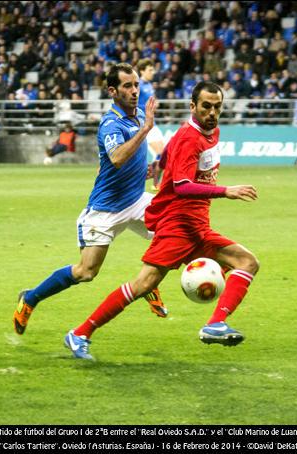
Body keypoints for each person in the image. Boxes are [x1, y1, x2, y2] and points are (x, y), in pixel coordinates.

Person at [64, 82, 260, 360]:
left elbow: (172, 146)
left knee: (247, 262)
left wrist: (159, 165)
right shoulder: (192, 139)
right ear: (193, 106)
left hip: (197, 225)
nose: (212, 112)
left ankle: (215, 324)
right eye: (206, 106)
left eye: (217, 106)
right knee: (142, 285)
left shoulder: (207, 131)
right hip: (178, 226)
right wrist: (225, 191)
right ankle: (80, 333)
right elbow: (181, 185)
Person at [13, 63, 168, 335]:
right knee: (85, 272)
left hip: (134, 200)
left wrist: (150, 170)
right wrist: (146, 129)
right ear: (112, 90)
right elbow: (118, 159)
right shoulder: (111, 124)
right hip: (105, 210)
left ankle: (147, 285)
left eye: (136, 85)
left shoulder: (137, 117)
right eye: (127, 86)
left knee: (171, 233)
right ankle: (31, 298)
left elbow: (124, 167)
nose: (134, 91)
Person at [136, 59, 165, 191]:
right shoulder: (138, 85)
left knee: (162, 153)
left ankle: (155, 183)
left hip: (152, 122)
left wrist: (154, 104)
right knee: (161, 153)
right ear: (142, 71)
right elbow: (133, 103)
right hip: (143, 123)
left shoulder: (149, 85)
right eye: (150, 70)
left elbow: (151, 101)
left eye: (153, 70)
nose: (152, 72)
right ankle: (148, 180)